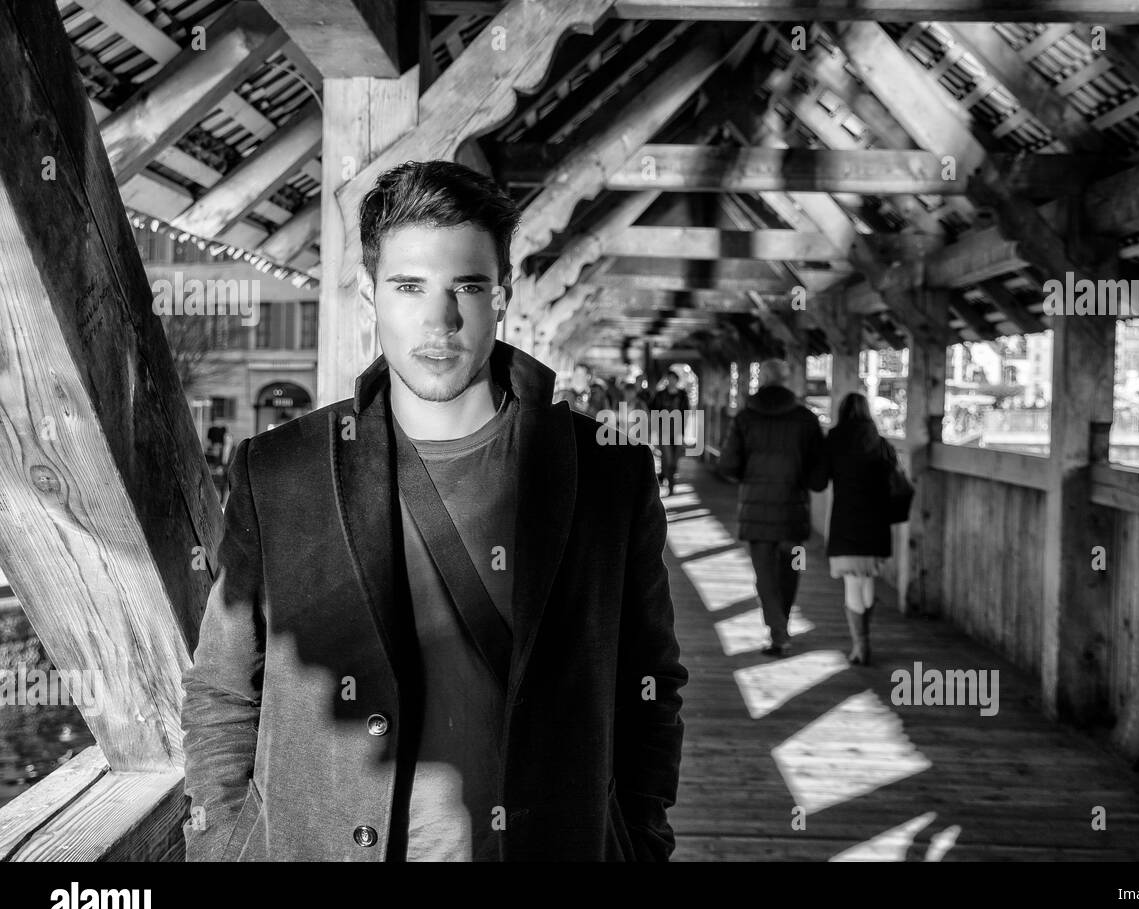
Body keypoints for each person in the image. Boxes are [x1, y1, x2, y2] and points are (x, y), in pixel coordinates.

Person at [181, 159, 686, 863]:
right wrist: (218, 846)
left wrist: (641, 843)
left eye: (468, 287)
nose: (440, 320)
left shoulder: (607, 473)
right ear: (370, 295)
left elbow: (650, 685)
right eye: (410, 286)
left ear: (502, 296)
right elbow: (225, 689)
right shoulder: (282, 472)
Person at [718, 358, 827, 657]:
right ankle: (783, 623)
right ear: (787, 380)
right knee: (792, 570)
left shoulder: (745, 418)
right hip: (794, 513)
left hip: (756, 514)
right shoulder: (806, 419)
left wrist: (749, 477)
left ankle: (778, 631)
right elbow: (819, 475)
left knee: (764, 574)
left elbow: (727, 464)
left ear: (762, 380)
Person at [826, 393, 896, 665]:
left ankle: (860, 645)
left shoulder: (834, 439)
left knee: (852, 582)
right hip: (876, 521)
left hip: (846, 520)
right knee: (867, 579)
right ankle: (864, 641)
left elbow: (821, 477)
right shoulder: (881, 444)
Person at [650, 371, 690, 495]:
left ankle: (671, 480)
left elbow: (686, 413)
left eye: (673, 378)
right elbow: (654, 412)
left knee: (675, 461)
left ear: (677, 380)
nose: (671, 380)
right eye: (669, 378)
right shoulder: (660, 395)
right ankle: (670, 485)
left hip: (678, 430)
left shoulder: (682, 395)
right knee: (668, 459)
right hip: (664, 430)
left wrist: (684, 431)